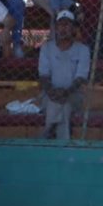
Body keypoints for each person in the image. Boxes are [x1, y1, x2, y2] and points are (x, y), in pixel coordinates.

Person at [37, 10, 89, 141]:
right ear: (56, 28)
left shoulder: (83, 50)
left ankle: (48, 134)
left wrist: (65, 92)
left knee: (62, 104)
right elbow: (43, 75)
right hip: (49, 94)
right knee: (61, 107)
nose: (63, 28)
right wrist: (52, 91)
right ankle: (63, 144)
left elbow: (81, 77)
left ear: (73, 29)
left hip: (74, 94)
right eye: (60, 25)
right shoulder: (46, 48)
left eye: (67, 25)